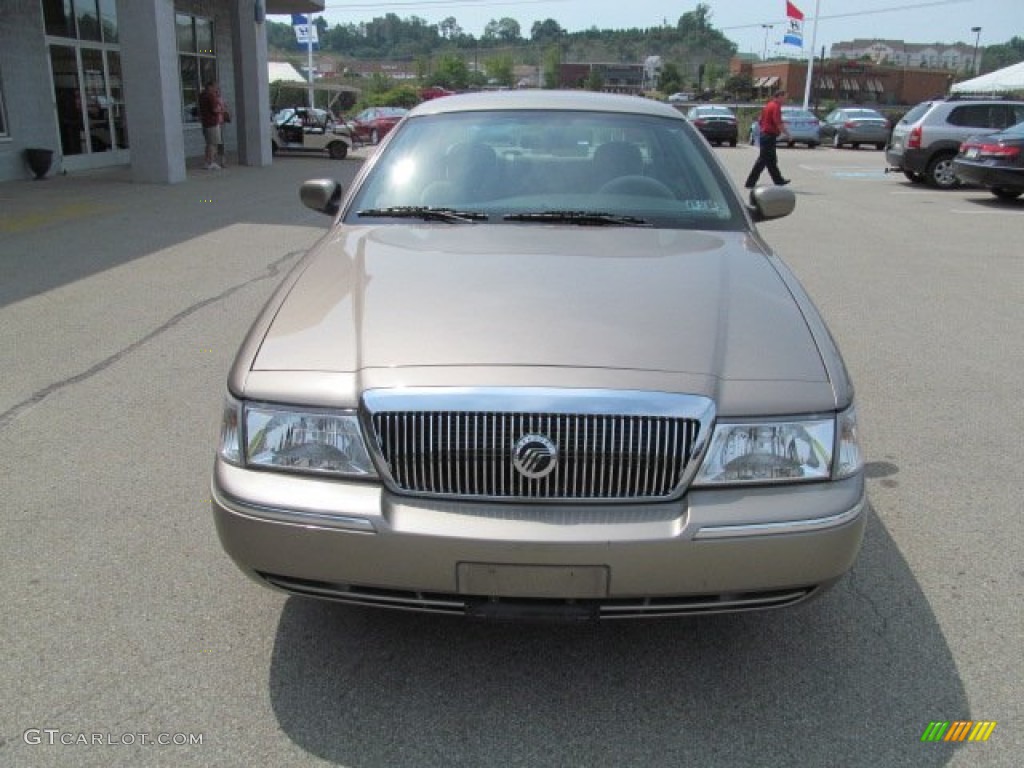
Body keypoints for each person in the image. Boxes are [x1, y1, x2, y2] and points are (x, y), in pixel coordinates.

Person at [744, 89, 791, 189]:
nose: (785, 99)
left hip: (766, 135)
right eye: (784, 97)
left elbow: (760, 120)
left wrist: (764, 128)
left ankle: (778, 180)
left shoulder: (769, 105)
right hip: (768, 136)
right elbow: (778, 121)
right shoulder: (775, 106)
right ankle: (750, 182)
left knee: (771, 160)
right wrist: (787, 134)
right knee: (762, 160)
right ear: (779, 96)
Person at [198, 81, 228, 170]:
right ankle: (211, 162)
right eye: (215, 87)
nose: (216, 89)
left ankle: (207, 162)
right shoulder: (210, 96)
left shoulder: (202, 95)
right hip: (212, 123)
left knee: (208, 143)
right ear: (210, 87)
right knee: (213, 144)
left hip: (205, 122)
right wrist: (222, 110)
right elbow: (215, 109)